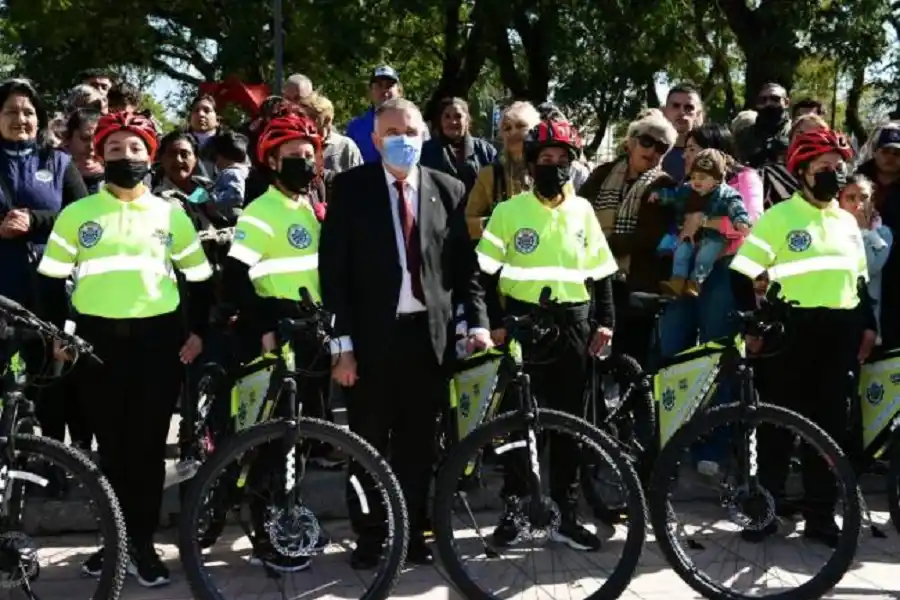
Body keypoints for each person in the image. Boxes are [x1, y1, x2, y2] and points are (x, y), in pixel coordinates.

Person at [36, 111, 213, 586]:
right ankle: (113, 544)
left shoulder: (171, 214)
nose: (126, 156)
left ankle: (143, 543)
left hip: (158, 346)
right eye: (115, 149)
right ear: (100, 155)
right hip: (96, 346)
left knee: (149, 449)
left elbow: (200, 280)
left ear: (149, 154)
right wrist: (59, 334)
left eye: (135, 148)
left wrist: (197, 332)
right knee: (110, 451)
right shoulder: (76, 215)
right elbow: (50, 283)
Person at [320, 97, 490, 568]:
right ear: (375, 142)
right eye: (392, 133)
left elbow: (465, 271)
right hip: (371, 343)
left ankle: (414, 533)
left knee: (419, 448)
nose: (403, 141)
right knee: (367, 445)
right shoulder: (351, 190)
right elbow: (333, 276)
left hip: (428, 342)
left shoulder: (450, 188)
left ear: (425, 136)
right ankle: (372, 535)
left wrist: (476, 322)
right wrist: (342, 347)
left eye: (411, 132)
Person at [729, 128, 876, 547]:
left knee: (829, 431)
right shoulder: (779, 217)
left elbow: (860, 283)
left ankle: (820, 517)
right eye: (823, 168)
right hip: (790, 333)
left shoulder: (847, 221)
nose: (832, 174)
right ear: (803, 172)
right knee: (776, 429)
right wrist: (752, 326)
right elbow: (740, 273)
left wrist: (868, 325)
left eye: (837, 168)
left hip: (839, 334)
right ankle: (765, 512)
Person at [476, 118, 618, 551]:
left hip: (574, 325)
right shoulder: (507, 211)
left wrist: (606, 322)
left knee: (570, 426)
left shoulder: (583, 211)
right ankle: (516, 510)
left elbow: (602, 274)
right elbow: (481, 277)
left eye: (561, 160)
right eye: (545, 160)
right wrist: (493, 322)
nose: (553, 167)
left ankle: (565, 511)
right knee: (521, 424)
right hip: (523, 328)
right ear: (531, 163)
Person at [221, 111, 329, 572]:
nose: (303, 163)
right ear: (271, 160)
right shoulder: (261, 210)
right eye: (293, 157)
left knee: (302, 433)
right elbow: (236, 275)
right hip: (277, 329)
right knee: (274, 437)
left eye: (308, 155)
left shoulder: (311, 206)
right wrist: (262, 324)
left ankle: (293, 516)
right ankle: (267, 528)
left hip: (313, 328)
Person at [652, 148, 750, 297]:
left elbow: (736, 208)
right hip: (689, 233)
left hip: (714, 236)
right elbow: (674, 196)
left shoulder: (727, 194)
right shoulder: (686, 190)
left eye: (703, 177)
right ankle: (677, 281)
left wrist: (741, 222)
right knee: (681, 253)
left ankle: (695, 282)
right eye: (694, 176)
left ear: (717, 179)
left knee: (705, 257)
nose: (696, 181)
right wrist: (660, 196)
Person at [465, 101, 542, 240]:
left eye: (520, 126)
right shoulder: (490, 174)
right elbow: (469, 222)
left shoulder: (549, 168)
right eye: (506, 128)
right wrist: (497, 224)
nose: (512, 132)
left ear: (535, 130)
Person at [839, 173, 892, 343]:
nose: (858, 204)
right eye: (850, 198)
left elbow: (869, 268)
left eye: (864, 198)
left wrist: (863, 232)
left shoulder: (883, 233)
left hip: (866, 318)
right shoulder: (830, 231)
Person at [420, 97, 496, 195]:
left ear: (467, 120)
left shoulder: (485, 151)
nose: (453, 122)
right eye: (447, 117)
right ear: (440, 121)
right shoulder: (426, 151)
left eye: (458, 116)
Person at [345, 65, 403, 163]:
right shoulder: (355, 127)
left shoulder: (413, 125)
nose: (384, 90)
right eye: (379, 85)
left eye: (389, 85)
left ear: (399, 91)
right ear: (370, 91)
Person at [661, 83, 704, 181]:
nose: (682, 112)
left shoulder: (709, 154)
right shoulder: (650, 149)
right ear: (664, 111)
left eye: (689, 107)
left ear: (698, 114)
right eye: (675, 106)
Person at [62, 108, 104, 193]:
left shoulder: (117, 183)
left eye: (100, 140)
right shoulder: (55, 178)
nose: (92, 146)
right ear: (68, 139)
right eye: (85, 139)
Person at [209, 130, 249, 214]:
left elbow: (235, 196)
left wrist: (212, 198)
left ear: (223, 157)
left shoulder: (232, 172)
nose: (216, 163)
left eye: (216, 158)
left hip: (229, 216)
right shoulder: (237, 172)